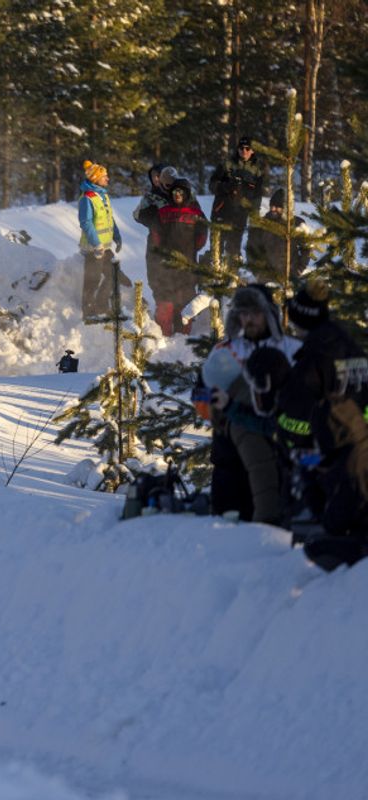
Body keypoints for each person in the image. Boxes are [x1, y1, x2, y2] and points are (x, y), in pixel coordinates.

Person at [275, 278, 368, 566]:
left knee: (335, 523)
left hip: (341, 451)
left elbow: (294, 415)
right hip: (358, 441)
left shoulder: (314, 358)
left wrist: (286, 438)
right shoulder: (348, 343)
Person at [201, 285, 302, 523]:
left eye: (254, 313)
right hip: (229, 459)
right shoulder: (225, 351)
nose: (248, 320)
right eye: (243, 313)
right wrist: (215, 407)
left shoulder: (292, 349)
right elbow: (200, 393)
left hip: (280, 454)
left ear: (269, 314)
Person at [151, 178, 208, 335]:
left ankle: (184, 332)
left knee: (186, 297)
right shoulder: (164, 212)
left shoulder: (195, 212)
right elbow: (155, 232)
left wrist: (196, 246)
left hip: (187, 263)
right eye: (175, 191)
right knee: (166, 297)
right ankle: (165, 333)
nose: (177, 195)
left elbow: (203, 232)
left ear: (187, 193)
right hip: (166, 262)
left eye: (181, 192)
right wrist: (159, 249)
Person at [77, 160, 124, 318]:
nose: (108, 179)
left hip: (105, 247)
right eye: (104, 176)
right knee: (92, 280)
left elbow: (109, 219)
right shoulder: (87, 198)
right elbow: (86, 222)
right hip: (93, 249)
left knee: (114, 275)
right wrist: (96, 244)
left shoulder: (103, 196)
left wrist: (116, 235)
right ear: (96, 178)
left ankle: (101, 306)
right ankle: (88, 312)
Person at [209, 135, 265, 265]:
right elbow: (212, 184)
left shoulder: (257, 170)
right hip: (221, 210)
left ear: (252, 150)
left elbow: (258, 195)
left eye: (247, 148)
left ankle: (232, 277)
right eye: (241, 148)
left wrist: (254, 215)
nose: (244, 151)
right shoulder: (227, 164)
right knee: (215, 251)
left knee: (233, 251)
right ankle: (212, 276)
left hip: (240, 214)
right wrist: (225, 186)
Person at [133, 163, 173, 334]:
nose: (157, 179)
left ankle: (174, 320)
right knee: (155, 277)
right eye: (153, 177)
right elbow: (137, 214)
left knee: (173, 280)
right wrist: (152, 218)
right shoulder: (150, 196)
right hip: (155, 241)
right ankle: (162, 318)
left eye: (159, 175)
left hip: (176, 243)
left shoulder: (177, 192)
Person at [245, 188, 310, 285]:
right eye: (272, 206)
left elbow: (306, 247)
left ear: (286, 208)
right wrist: (258, 272)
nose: (274, 209)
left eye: (278, 207)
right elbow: (251, 250)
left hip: (290, 277)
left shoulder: (296, 224)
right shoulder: (262, 224)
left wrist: (299, 269)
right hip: (266, 279)